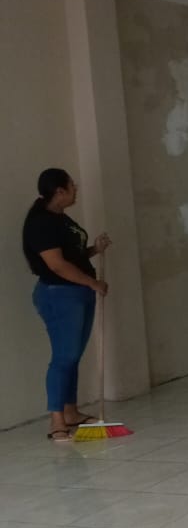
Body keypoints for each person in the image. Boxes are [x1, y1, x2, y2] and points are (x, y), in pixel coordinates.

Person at [22, 168, 110, 441]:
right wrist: (92, 283)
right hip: (59, 295)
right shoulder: (41, 223)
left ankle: (71, 412)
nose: (76, 189)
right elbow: (57, 265)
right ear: (59, 191)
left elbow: (73, 256)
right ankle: (56, 421)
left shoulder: (61, 219)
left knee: (73, 356)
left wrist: (95, 249)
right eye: (72, 185)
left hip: (79, 292)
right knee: (63, 357)